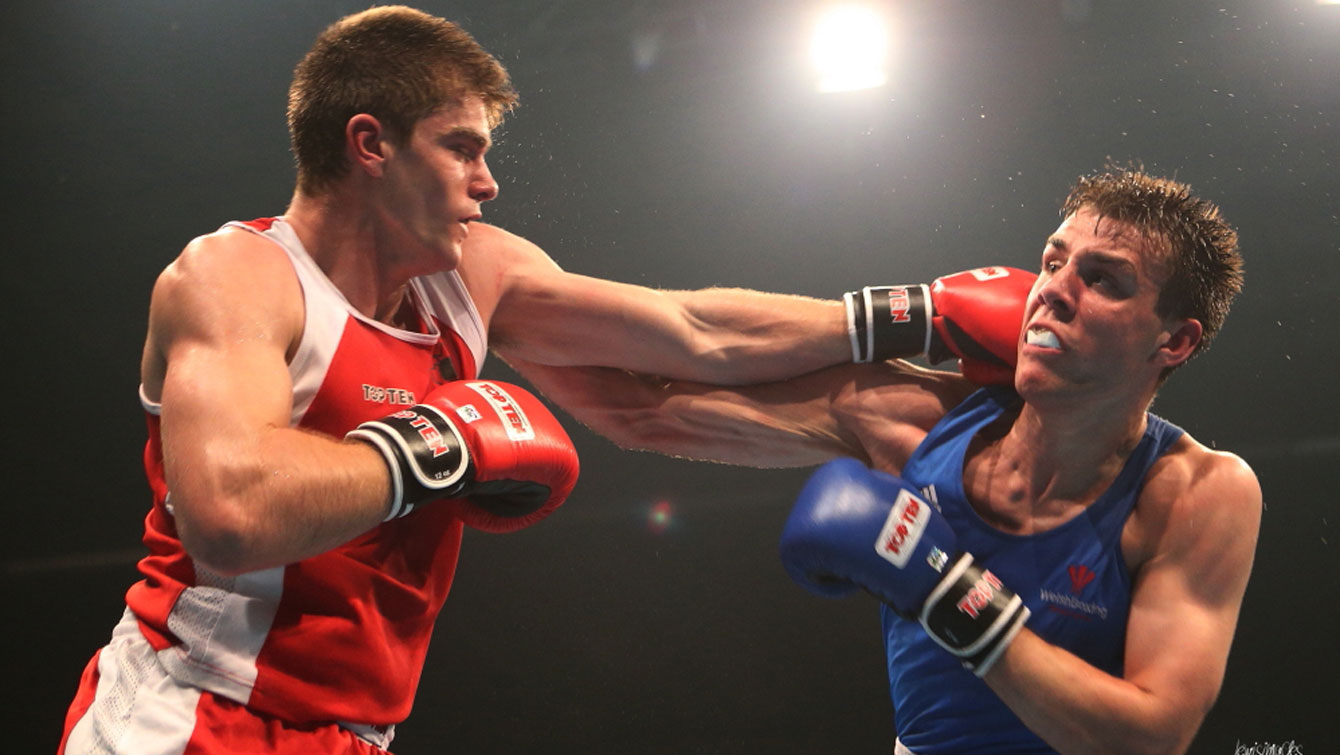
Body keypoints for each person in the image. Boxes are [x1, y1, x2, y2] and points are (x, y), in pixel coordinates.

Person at [52, 6, 928, 753]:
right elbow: (231, 515)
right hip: (192, 711)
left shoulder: (470, 276)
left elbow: (692, 335)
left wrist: (912, 320)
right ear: (370, 144)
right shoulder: (235, 277)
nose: (488, 180)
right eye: (461, 148)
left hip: (356, 732)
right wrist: (434, 444)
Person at [519, 167, 1260, 753]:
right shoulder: (911, 425)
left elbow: (1151, 737)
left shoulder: (1194, 491)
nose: (1053, 294)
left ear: (1177, 341)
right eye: (1053, 262)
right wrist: (495, 315)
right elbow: (646, 398)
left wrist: (948, 592)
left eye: (1104, 279)